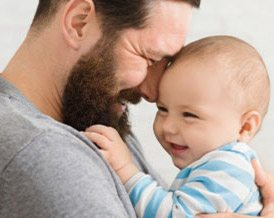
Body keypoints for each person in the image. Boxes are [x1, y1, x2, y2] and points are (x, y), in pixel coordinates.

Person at [0, 0, 273, 217]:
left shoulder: (97, 120)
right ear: (78, 22)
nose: (154, 93)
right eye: (150, 57)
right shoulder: (43, 149)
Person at [84, 35, 270, 217]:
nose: (168, 127)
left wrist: (126, 171)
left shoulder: (228, 168)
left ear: (245, 127)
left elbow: (174, 214)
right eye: (163, 109)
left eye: (189, 115)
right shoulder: (217, 164)